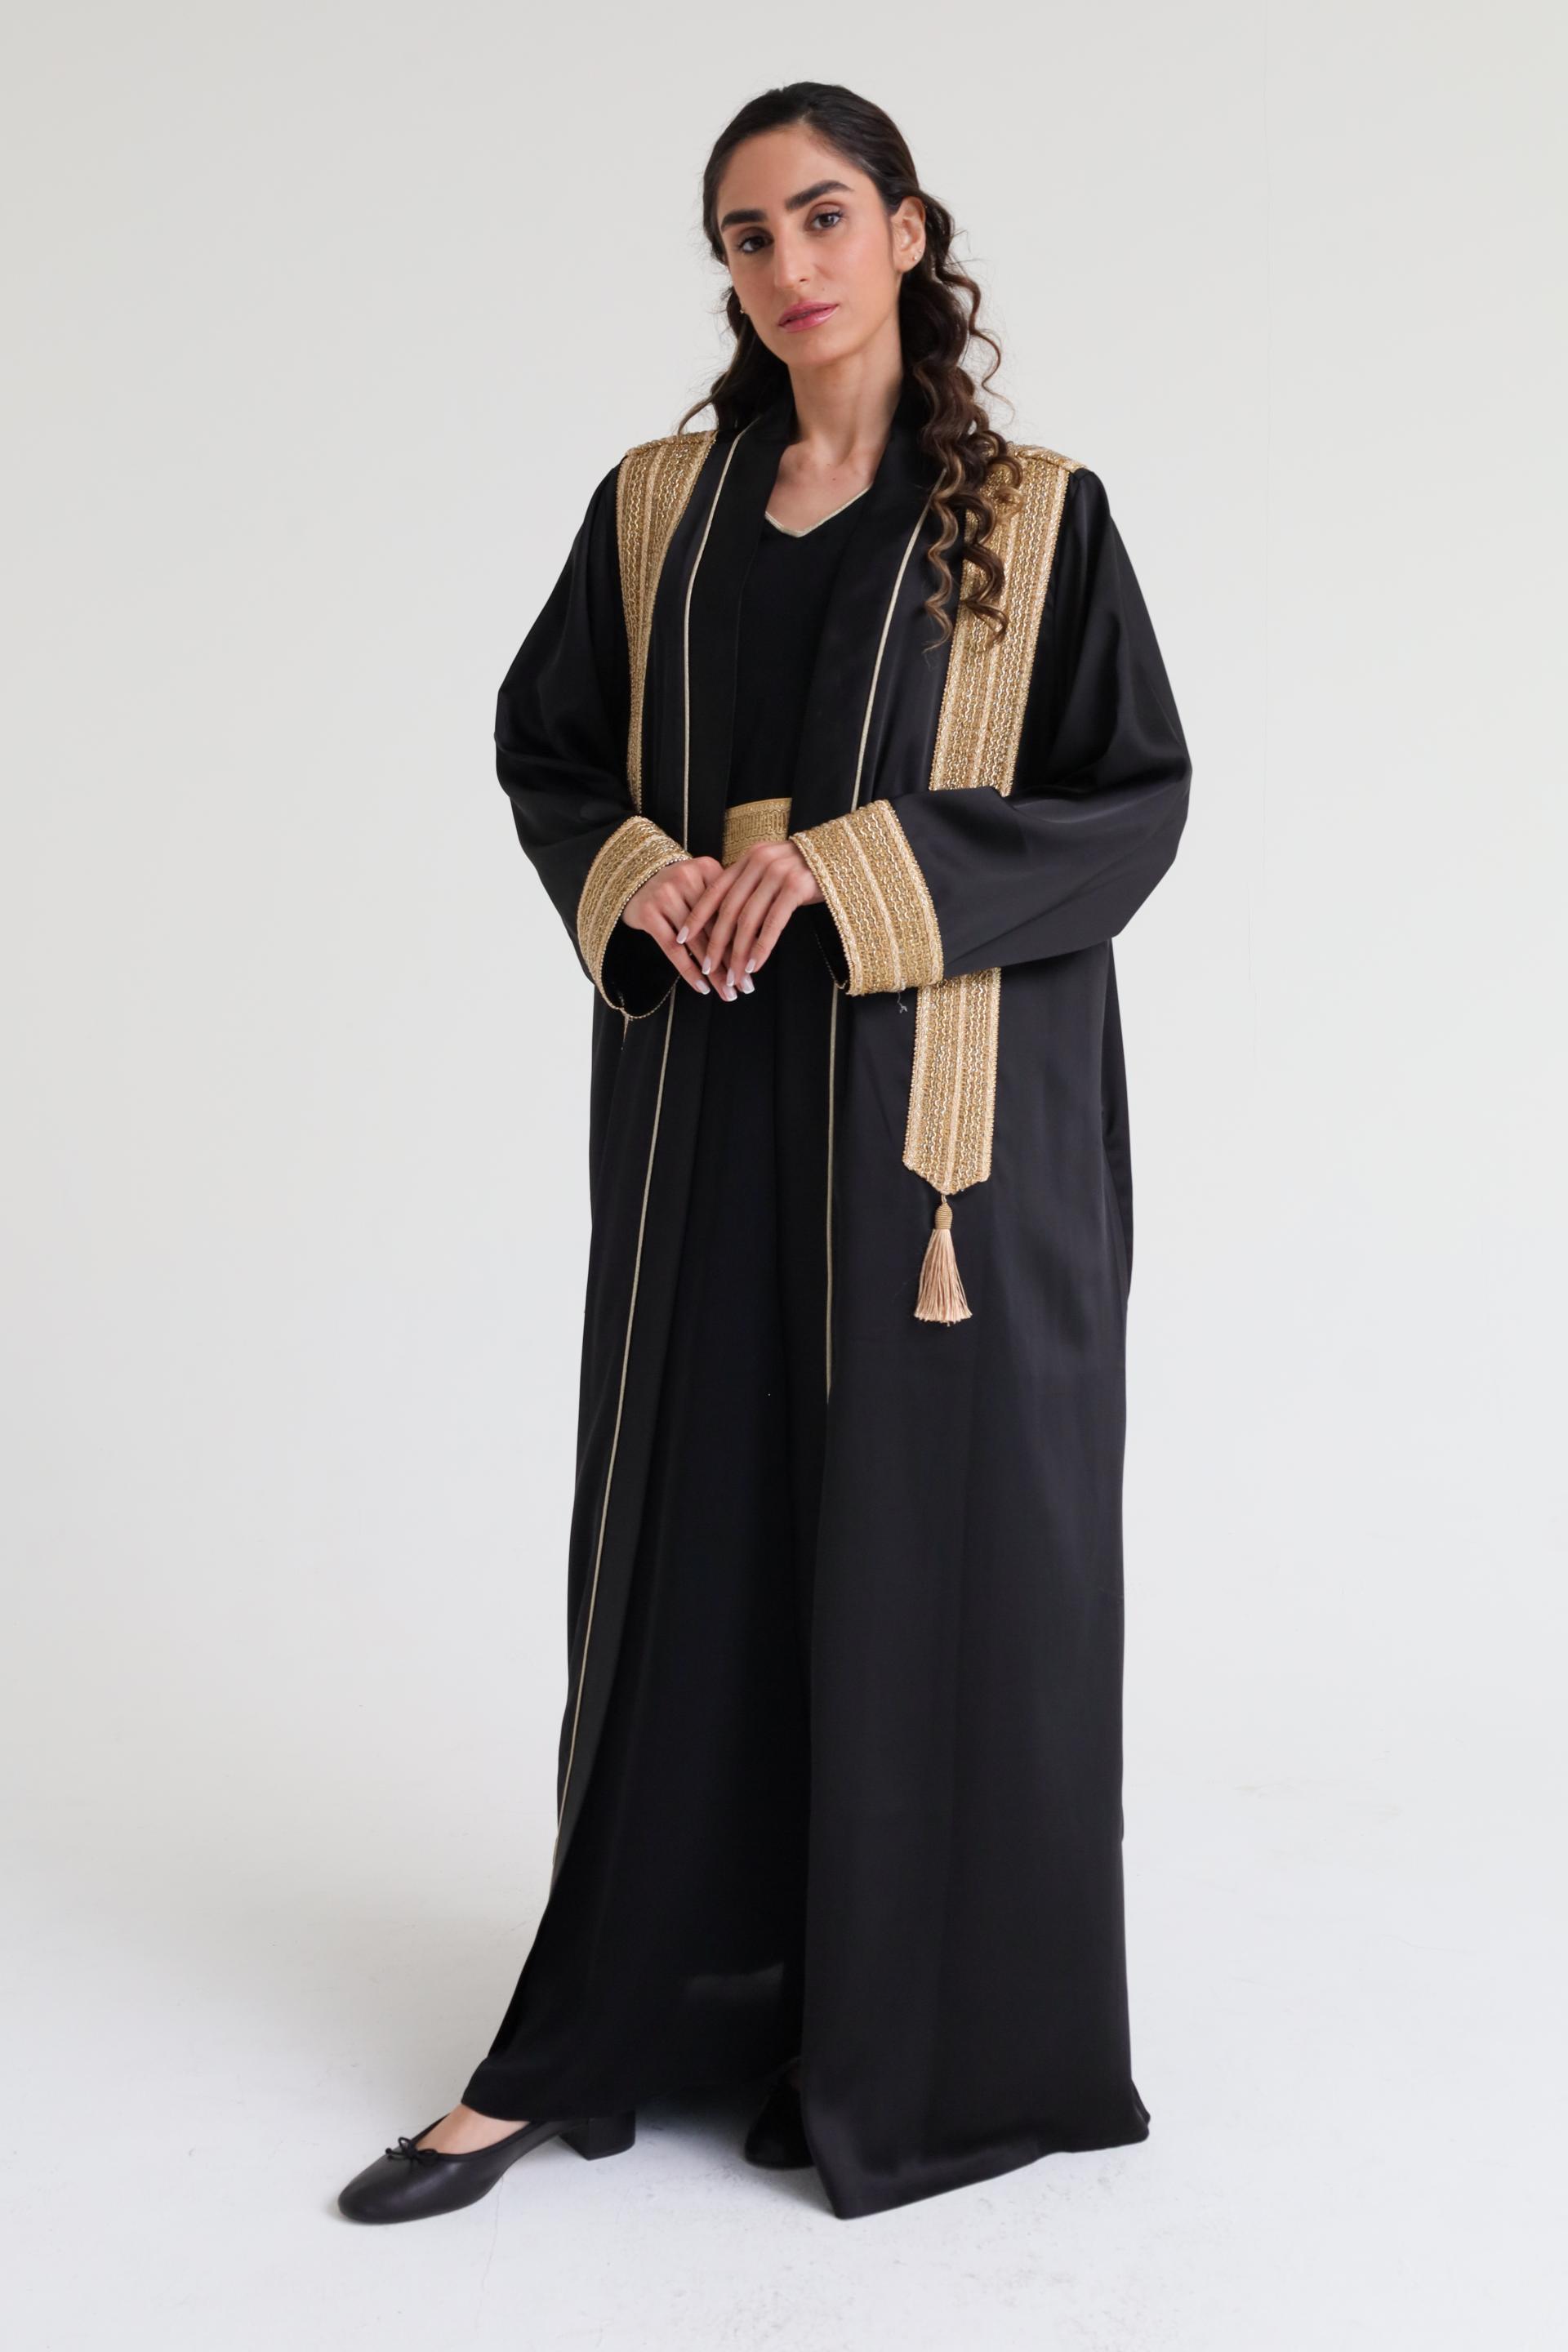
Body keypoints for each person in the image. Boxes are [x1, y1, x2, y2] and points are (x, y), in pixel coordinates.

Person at [337, 78, 1191, 2229]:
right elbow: (549, 751)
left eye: (822, 217)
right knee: (691, 1535)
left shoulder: (1039, 520)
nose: (789, 266)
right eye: (746, 235)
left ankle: (902, 2038)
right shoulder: (660, 510)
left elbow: (1130, 808)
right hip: (712, 1110)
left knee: (931, 1554)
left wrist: (849, 871)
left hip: (942, 1151)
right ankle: (606, 2026)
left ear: (906, 231)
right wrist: (653, 877)